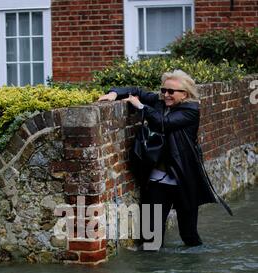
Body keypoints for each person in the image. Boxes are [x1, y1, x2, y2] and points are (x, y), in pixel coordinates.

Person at [98, 69, 231, 248]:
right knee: (149, 239)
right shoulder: (160, 102)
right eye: (163, 90)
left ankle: (191, 272)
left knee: (189, 236)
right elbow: (136, 90)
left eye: (171, 92)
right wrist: (114, 93)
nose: (165, 95)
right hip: (158, 179)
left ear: (185, 94)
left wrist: (141, 107)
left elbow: (164, 124)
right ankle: (152, 272)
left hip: (183, 178)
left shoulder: (191, 110)